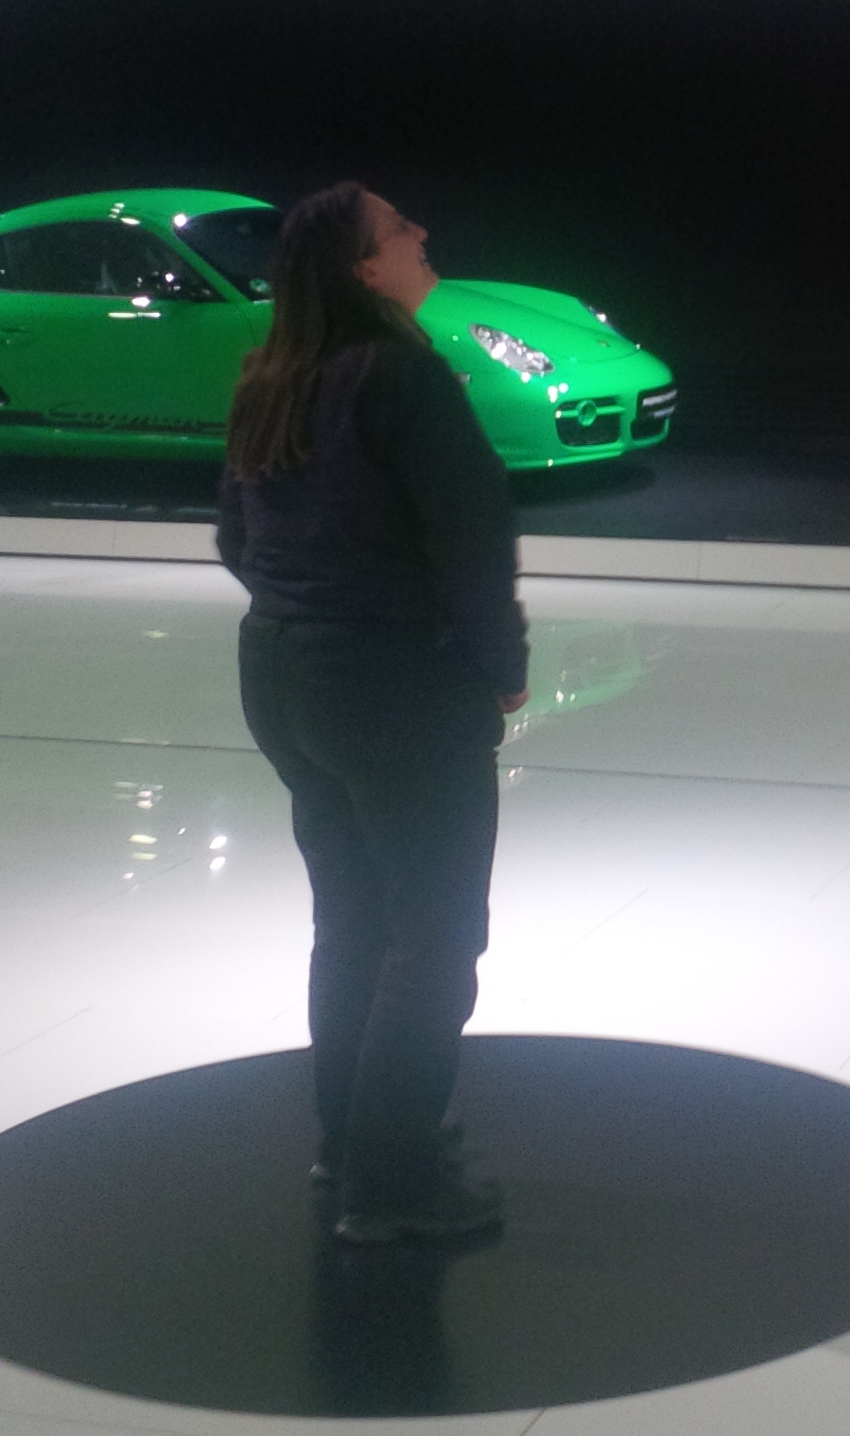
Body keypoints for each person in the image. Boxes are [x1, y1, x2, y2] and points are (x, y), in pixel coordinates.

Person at [217, 181, 529, 1246]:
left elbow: (235, 538)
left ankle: (348, 1144)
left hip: (282, 672)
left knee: (351, 918)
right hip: (388, 683)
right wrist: (498, 663)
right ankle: (390, 1189)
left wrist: (308, 602)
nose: (422, 232)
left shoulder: (270, 378)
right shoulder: (401, 373)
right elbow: (472, 537)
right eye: (400, 228)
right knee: (435, 936)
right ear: (364, 268)